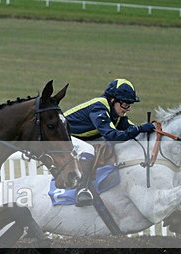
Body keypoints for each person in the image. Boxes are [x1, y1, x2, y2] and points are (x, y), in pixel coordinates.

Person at [64, 78, 156, 206]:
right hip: (61, 137)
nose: (127, 109)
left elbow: (131, 130)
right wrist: (138, 129)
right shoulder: (99, 107)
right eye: (125, 104)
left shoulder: (116, 113)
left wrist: (146, 131)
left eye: (130, 105)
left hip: (78, 138)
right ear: (113, 100)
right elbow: (112, 135)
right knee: (89, 149)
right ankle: (82, 190)